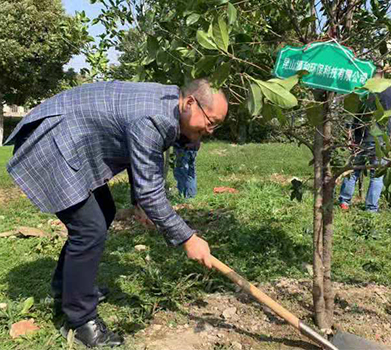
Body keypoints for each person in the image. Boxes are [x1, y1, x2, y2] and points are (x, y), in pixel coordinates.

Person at [3, 79, 228, 348]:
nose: (211, 130)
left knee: (104, 211)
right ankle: (80, 320)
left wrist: (138, 201)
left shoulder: (170, 104)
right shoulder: (155, 118)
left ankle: (68, 290)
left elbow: (143, 155)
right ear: (190, 103)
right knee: (89, 228)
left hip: (72, 140)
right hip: (53, 144)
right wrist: (188, 238)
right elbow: (151, 189)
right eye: (211, 122)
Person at [338, 69, 391, 213]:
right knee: (377, 175)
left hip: (361, 137)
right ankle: (371, 208)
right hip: (381, 139)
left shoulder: (362, 91)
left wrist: (350, 134)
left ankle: (344, 201)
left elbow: (352, 114)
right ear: (383, 76)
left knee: (353, 170)